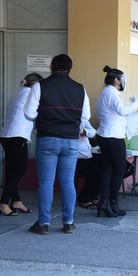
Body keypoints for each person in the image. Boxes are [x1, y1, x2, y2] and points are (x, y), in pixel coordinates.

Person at [24, 54, 90, 234]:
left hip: (48, 139)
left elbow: (29, 113)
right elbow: (85, 117)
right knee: (68, 181)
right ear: (70, 69)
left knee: (46, 182)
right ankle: (68, 222)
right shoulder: (80, 89)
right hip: (71, 140)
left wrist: (45, 118)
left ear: (51, 67)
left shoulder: (40, 86)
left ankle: (43, 224)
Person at [96, 65, 138, 217]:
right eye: (122, 79)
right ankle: (112, 202)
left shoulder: (104, 93)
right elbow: (122, 111)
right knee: (119, 170)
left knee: (107, 169)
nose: (123, 82)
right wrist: (134, 104)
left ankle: (104, 202)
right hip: (113, 137)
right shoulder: (112, 94)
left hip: (104, 135)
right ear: (116, 80)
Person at [0, 73, 43, 216]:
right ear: (35, 85)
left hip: (7, 135)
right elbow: (33, 114)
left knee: (12, 171)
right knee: (19, 171)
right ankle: (4, 203)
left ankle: (16, 201)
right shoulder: (30, 95)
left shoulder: (18, 94)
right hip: (17, 136)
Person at [76, 121, 100, 209]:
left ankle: (93, 195)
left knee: (104, 167)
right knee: (97, 171)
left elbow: (93, 132)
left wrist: (85, 132)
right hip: (75, 156)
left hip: (86, 154)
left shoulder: (83, 118)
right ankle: (84, 198)